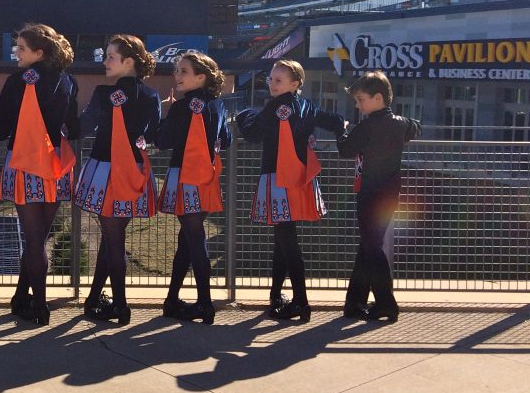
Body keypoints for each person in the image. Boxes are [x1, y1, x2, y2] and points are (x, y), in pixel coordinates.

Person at [237, 60, 344, 322]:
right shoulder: (308, 105)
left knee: (287, 241)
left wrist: (243, 114)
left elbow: (251, 133)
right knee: (284, 239)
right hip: (299, 179)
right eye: (271, 79)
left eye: (278, 80)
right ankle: (278, 297)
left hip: (277, 180)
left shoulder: (274, 107)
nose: (271, 84)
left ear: (294, 83)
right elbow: (339, 122)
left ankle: (300, 302)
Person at [0, 23, 79, 326]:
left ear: (38, 52)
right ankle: (21, 296)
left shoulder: (18, 81)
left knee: (32, 240)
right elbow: (75, 125)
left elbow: (0, 125)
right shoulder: (68, 81)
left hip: (25, 162)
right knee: (39, 236)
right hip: (56, 164)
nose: (16, 52)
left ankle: (39, 304)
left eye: (21, 48)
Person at [74, 34, 161, 325]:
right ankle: (95, 298)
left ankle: (121, 305)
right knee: (112, 238)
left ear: (128, 62)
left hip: (104, 172)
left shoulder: (101, 93)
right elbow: (151, 136)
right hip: (133, 172)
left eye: (111, 56)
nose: (105, 61)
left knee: (113, 240)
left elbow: (81, 128)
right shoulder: (150, 96)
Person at [337, 70, 421, 323]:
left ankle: (386, 303)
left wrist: (342, 130)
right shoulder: (400, 123)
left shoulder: (366, 127)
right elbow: (416, 127)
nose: (357, 105)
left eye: (360, 100)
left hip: (368, 193)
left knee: (372, 247)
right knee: (368, 244)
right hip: (390, 193)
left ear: (376, 98)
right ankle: (355, 301)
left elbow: (345, 149)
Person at [156, 52, 230, 324]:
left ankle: (204, 304)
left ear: (202, 77)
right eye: (178, 70)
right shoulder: (218, 106)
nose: (177, 76)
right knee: (186, 241)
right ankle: (172, 300)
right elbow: (227, 140)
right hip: (206, 179)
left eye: (183, 71)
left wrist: (166, 114)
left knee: (194, 241)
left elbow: (163, 141)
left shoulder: (181, 107)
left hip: (182, 175)